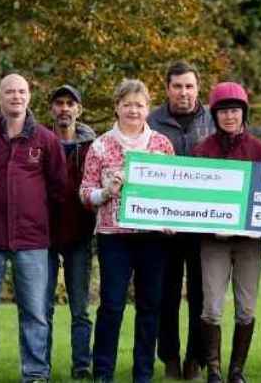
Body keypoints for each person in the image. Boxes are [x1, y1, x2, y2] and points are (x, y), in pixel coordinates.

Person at [0, 74, 67, 383]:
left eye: (22, 91)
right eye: (10, 91)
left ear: (29, 96)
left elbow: (58, 189)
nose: (16, 96)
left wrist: (36, 216)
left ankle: (36, 373)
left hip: (32, 241)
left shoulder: (46, 140)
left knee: (36, 313)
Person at [80, 79, 175, 383]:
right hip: (113, 238)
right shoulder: (100, 145)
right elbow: (84, 192)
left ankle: (143, 373)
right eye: (127, 104)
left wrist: (173, 219)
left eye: (139, 104)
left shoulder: (162, 144)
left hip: (153, 238)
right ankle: (103, 372)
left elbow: (175, 192)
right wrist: (104, 193)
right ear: (117, 107)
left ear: (148, 108)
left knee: (150, 307)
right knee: (111, 305)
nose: (133, 110)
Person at [193, 82, 261, 383]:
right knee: (212, 306)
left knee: (246, 307)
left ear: (244, 113)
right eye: (224, 111)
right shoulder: (203, 151)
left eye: (235, 111)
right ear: (215, 115)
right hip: (214, 242)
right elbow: (193, 199)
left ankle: (236, 370)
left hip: (250, 243)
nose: (230, 116)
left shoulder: (260, 151)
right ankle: (213, 368)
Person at [148, 61, 214, 380]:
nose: (184, 92)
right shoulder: (151, 122)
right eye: (177, 86)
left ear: (198, 88)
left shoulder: (214, 119)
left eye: (189, 86)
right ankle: (170, 357)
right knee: (167, 294)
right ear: (167, 89)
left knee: (202, 295)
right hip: (164, 228)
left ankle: (196, 359)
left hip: (204, 227)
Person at [46, 85, 96, 380]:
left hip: (79, 236)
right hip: (44, 237)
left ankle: (82, 365)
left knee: (80, 309)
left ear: (79, 109)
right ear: (52, 109)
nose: (64, 108)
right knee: (43, 309)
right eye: (59, 103)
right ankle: (41, 365)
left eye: (70, 103)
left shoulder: (92, 147)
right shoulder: (38, 142)